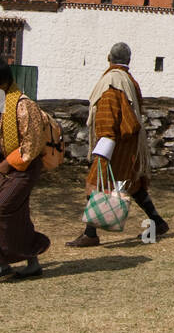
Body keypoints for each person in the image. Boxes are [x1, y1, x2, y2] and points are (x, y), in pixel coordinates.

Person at [68, 43, 168, 247]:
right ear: (128, 61)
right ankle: (157, 221)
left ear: (108, 57)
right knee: (132, 183)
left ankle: (90, 234)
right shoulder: (129, 81)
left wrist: (102, 154)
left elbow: (107, 119)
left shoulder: (111, 83)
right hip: (129, 144)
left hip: (113, 143)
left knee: (94, 184)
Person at [0, 59, 50, 281]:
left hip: (22, 169)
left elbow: (33, 143)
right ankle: (32, 262)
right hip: (3, 169)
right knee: (18, 216)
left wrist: (9, 162)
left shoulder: (24, 105)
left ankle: (1, 265)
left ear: (3, 81)